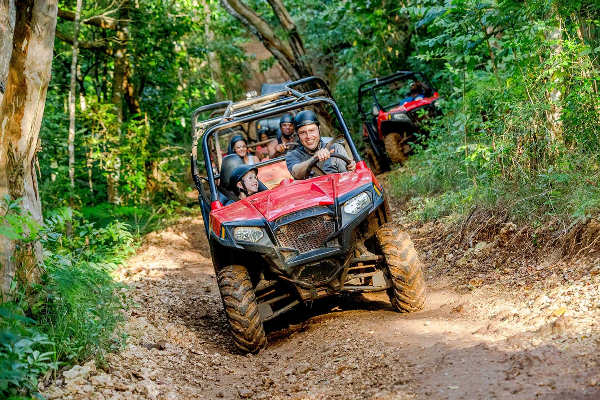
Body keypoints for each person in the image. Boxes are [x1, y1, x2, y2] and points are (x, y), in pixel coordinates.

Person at [285, 110, 356, 180]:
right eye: (302, 132)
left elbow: (347, 179)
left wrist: (350, 168)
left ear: (319, 129)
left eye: (312, 130)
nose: (308, 136)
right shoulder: (292, 155)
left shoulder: (335, 148)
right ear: (298, 135)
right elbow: (296, 173)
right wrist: (314, 158)